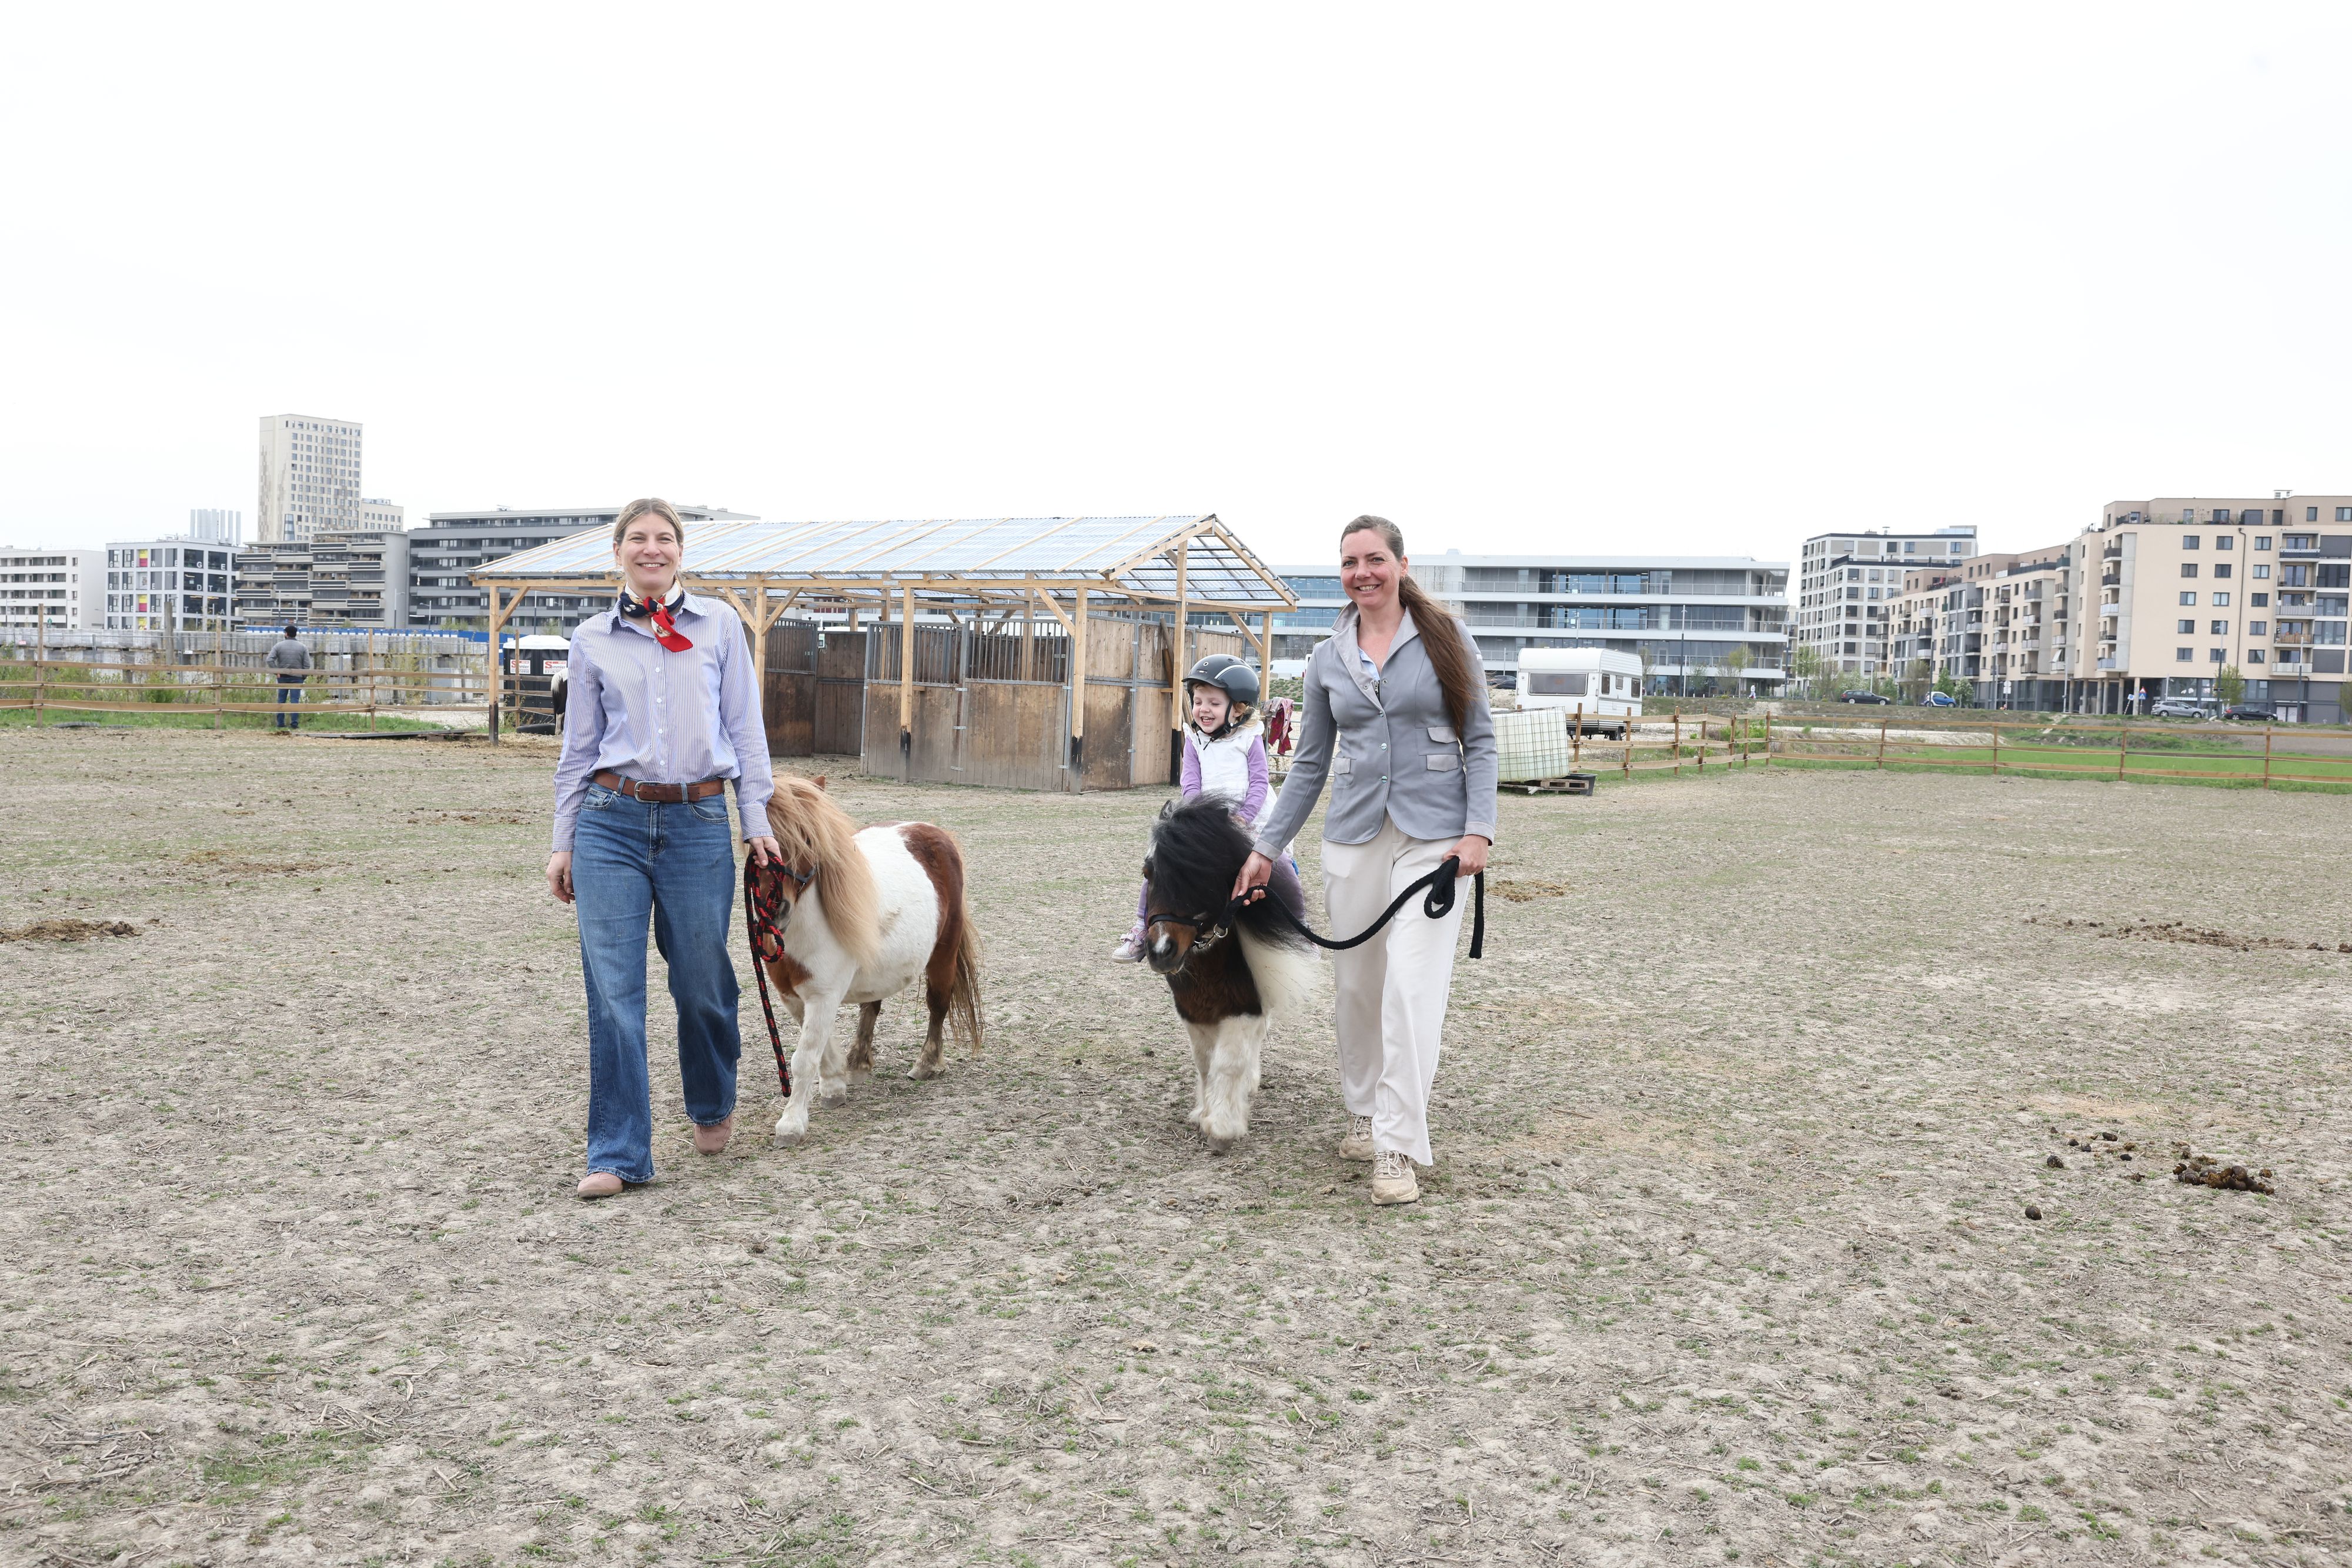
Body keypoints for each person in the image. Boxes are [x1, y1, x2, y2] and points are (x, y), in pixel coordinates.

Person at [1235, 516, 1498, 1207]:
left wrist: (1479, 832)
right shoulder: (1327, 657)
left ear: (1402, 565)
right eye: (1350, 562)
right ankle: (1362, 1108)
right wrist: (1265, 848)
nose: (1362, 573)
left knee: (1411, 990)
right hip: (1353, 836)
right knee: (1357, 986)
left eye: (1375, 559)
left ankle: (1396, 1143)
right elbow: (1309, 764)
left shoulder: (1447, 639)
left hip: (1434, 840)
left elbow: (1480, 740)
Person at [546, 498, 781, 1200]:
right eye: (638, 538)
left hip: (697, 820)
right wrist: (563, 840)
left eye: (666, 538)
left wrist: (756, 820)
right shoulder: (592, 638)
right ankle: (618, 1152)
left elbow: (745, 731)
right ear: (617, 551)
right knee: (613, 992)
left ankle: (711, 1097)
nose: (653, 548)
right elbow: (578, 748)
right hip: (610, 821)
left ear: (681, 551)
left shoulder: (720, 627)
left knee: (701, 980)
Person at [1115, 654, 1304, 959]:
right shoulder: (1194, 739)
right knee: (1161, 863)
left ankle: (1299, 930)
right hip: (1209, 821)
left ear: (1238, 708)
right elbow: (1190, 784)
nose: (1203, 709)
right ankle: (1141, 927)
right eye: (1199, 701)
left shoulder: (1249, 737)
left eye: (1214, 703)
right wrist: (1197, 821)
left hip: (1253, 819)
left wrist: (1243, 817)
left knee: (1280, 865)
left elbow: (1259, 783)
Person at [267, 626, 311, 730]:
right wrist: (303, 676)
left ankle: (280, 723)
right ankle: (294, 724)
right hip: (297, 678)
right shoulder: (302, 647)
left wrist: (277, 671)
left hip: (282, 677)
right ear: (295, 634)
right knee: (295, 700)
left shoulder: (279, 646)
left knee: (281, 700)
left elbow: (269, 660)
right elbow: (307, 665)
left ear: (286, 634)